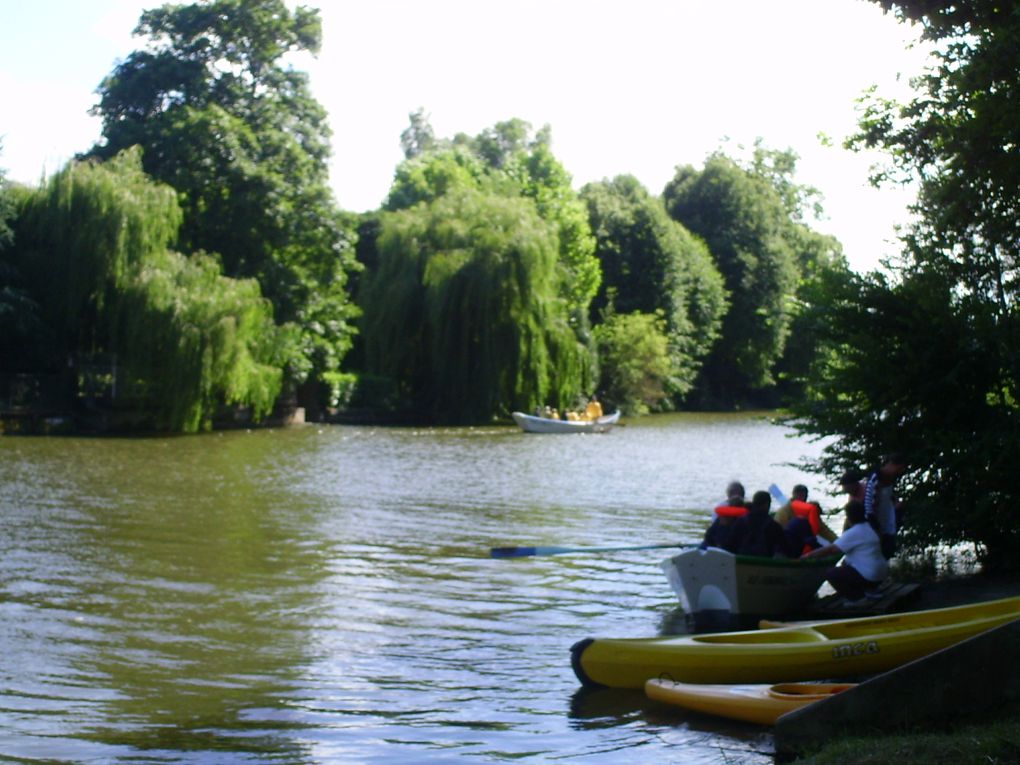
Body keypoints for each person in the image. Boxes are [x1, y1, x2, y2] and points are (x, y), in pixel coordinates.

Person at [802, 500, 889, 602]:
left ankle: (857, 599)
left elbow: (832, 549)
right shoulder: (869, 527)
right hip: (881, 574)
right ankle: (869, 591)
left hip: (870, 576)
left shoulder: (854, 532)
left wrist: (809, 555)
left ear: (849, 517)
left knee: (831, 574)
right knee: (846, 565)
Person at [863, 453, 907, 559]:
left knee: (887, 554)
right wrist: (875, 527)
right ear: (891, 464)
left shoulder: (889, 478)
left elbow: (888, 495)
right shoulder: (876, 478)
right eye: (899, 468)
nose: (899, 472)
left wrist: (896, 503)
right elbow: (868, 505)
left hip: (888, 523)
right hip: (877, 525)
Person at [722, 490, 792, 558]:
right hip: (765, 565)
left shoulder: (740, 521)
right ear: (767, 504)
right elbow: (787, 550)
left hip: (742, 564)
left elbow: (728, 546)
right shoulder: (773, 525)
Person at [774, 484, 838, 555]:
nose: (803, 498)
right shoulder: (784, 512)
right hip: (786, 548)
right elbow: (778, 533)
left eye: (804, 495)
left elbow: (824, 530)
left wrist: (838, 542)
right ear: (794, 495)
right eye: (800, 495)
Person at [699, 482, 749, 550]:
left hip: (718, 549)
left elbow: (708, 536)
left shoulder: (720, 518)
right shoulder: (745, 519)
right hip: (727, 551)